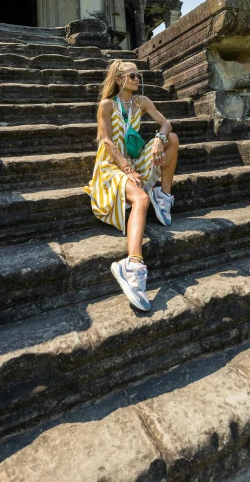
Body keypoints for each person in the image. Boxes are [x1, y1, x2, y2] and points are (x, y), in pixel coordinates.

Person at [83, 60, 179, 311]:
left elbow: (166, 123)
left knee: (173, 138)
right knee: (140, 199)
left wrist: (158, 138)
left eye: (138, 75)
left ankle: (163, 195)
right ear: (118, 79)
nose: (137, 79)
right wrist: (126, 169)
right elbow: (106, 141)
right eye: (132, 75)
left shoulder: (142, 102)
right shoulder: (107, 105)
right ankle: (132, 265)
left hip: (135, 160)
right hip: (111, 165)